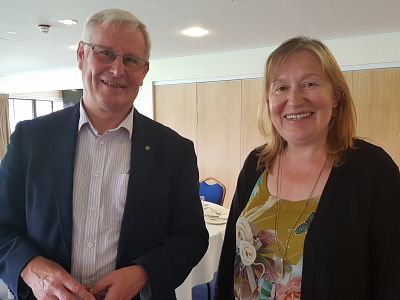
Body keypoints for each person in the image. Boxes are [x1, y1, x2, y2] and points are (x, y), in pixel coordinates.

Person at [0, 8, 208, 300]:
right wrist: (32, 269)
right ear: (82, 55)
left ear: (144, 72)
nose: (117, 69)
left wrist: (143, 273)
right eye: (106, 54)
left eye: (131, 60)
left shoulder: (174, 151)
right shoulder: (31, 139)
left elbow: (191, 237)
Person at [215, 36, 400, 299]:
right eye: (280, 88)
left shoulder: (373, 170)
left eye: (309, 84)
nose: (294, 99)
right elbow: (229, 262)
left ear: (335, 96)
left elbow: (393, 276)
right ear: (268, 101)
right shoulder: (257, 163)